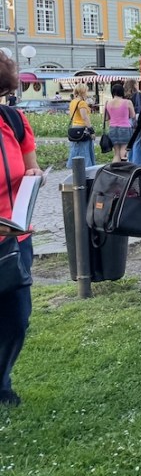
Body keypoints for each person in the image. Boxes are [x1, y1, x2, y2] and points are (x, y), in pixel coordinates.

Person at [0, 52, 43, 407]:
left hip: (13, 238)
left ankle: (1, 380)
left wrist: (34, 176)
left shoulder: (13, 121)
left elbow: (33, 168)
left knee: (17, 319)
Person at [103, 83, 136, 162]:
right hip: (125, 128)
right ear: (122, 91)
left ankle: (115, 168)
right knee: (124, 150)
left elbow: (106, 118)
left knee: (116, 153)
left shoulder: (108, 103)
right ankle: (123, 167)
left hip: (112, 128)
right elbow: (133, 115)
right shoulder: (127, 102)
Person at [67, 83, 95, 168]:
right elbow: (84, 117)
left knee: (75, 149)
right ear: (83, 92)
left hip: (74, 127)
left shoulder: (72, 102)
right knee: (85, 151)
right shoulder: (82, 103)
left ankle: (75, 167)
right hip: (82, 128)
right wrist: (91, 130)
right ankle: (86, 169)